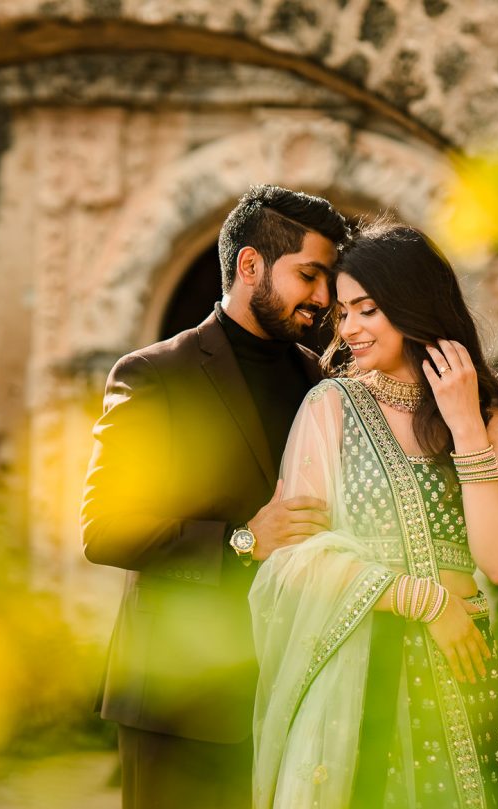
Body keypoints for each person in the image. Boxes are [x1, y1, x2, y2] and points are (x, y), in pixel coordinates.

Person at [250, 216, 498, 809]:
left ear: (413, 307)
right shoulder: (331, 405)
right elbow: (297, 560)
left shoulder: (491, 421)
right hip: (355, 679)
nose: (350, 329)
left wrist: (465, 424)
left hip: (462, 675)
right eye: (342, 313)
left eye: (367, 310)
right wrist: (423, 600)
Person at [81, 185, 350, 808]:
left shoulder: (322, 383)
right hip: (177, 696)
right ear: (250, 265)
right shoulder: (151, 373)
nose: (323, 298)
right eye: (309, 275)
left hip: (289, 686)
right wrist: (243, 539)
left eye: (329, 280)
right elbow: (104, 528)